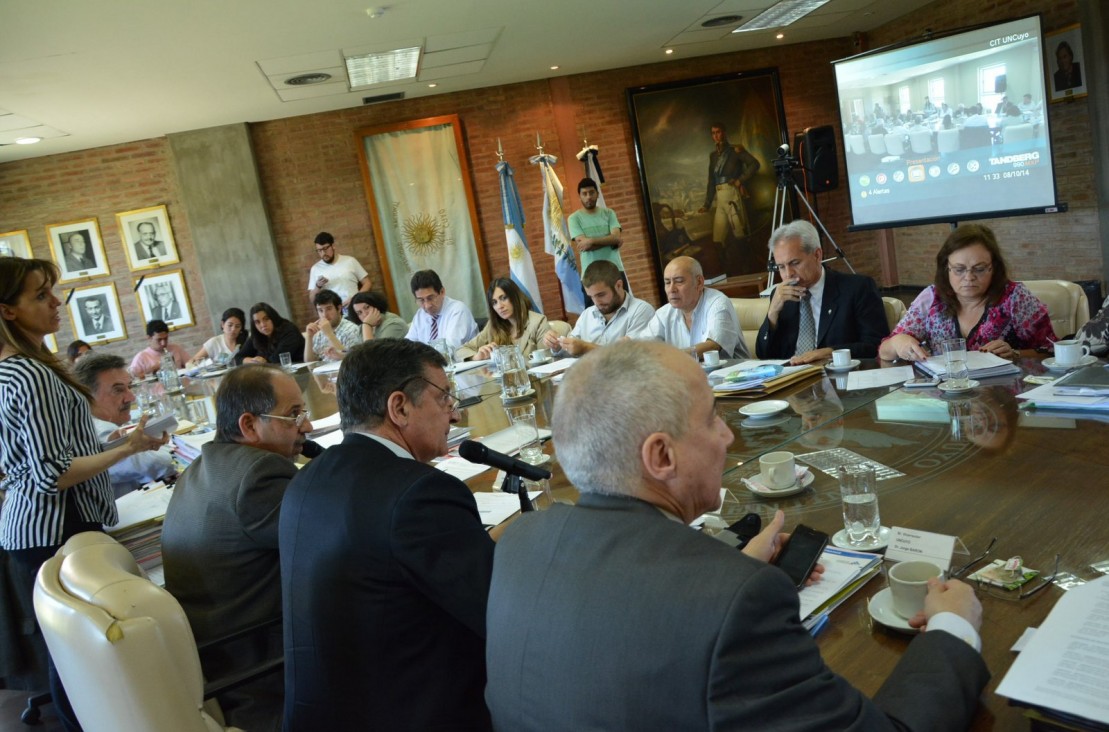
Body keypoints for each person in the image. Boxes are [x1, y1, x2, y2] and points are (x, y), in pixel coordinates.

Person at [484, 340, 989, 731]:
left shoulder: (519, 543)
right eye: (712, 419)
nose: (727, 436)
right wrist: (952, 630)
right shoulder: (734, 602)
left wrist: (731, 566)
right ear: (661, 456)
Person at [280, 339, 494, 730]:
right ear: (399, 407)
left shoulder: (306, 480)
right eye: (444, 399)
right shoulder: (420, 495)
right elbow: (496, 612)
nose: (455, 415)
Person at [0, 258, 165, 731]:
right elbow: (53, 473)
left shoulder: (19, 368)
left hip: (39, 528)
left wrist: (108, 444)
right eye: (39, 296)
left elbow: (44, 453)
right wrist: (129, 447)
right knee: (82, 660)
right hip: (54, 529)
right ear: (8, 312)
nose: (55, 303)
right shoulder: (29, 375)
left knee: (73, 653)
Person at [163, 365, 314, 731]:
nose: (306, 427)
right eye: (293, 415)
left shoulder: (203, 466)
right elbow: (336, 545)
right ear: (249, 425)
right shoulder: (261, 474)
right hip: (261, 668)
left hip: (213, 656)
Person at [879, 224, 1055, 361]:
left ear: (994, 268)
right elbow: (884, 352)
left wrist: (1015, 354)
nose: (969, 277)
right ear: (946, 268)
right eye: (959, 269)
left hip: (1002, 398)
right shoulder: (932, 297)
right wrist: (898, 342)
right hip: (946, 397)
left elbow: (1051, 351)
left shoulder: (1015, 297)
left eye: (979, 269)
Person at [756, 220, 889, 362]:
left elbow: (876, 346)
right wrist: (772, 313)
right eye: (781, 267)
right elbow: (763, 354)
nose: (788, 274)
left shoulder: (857, 288)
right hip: (792, 378)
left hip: (838, 376)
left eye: (795, 263)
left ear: (817, 255)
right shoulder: (781, 296)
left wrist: (830, 352)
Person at [74, 353, 176, 497]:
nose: (131, 397)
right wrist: (178, 453)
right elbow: (158, 464)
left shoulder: (86, 423)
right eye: (118, 390)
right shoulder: (101, 430)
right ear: (88, 395)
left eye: (129, 387)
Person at [642, 255, 747, 358]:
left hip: (733, 372)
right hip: (689, 374)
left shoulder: (718, 303)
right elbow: (642, 347)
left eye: (679, 281)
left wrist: (671, 357)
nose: (671, 289)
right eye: (667, 282)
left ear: (699, 282)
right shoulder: (663, 314)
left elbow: (713, 346)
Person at [543, 259, 653, 356]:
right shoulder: (587, 314)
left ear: (619, 285)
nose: (596, 302)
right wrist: (557, 345)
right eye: (591, 297)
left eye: (601, 295)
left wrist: (585, 348)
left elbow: (632, 355)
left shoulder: (641, 311)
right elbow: (572, 347)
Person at [456, 277, 549, 361]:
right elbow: (460, 351)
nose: (500, 306)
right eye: (494, 302)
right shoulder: (492, 326)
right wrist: (476, 356)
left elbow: (547, 360)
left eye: (504, 298)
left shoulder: (538, 322)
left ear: (515, 297)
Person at [699, 122, 760, 245]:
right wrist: (707, 204)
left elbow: (754, 164)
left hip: (732, 193)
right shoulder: (713, 156)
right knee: (718, 237)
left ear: (724, 133)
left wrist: (740, 180)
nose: (716, 135)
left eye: (718, 132)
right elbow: (711, 180)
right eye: (713, 133)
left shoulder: (735, 150)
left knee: (740, 232)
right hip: (720, 197)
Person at [566, 177, 627, 292]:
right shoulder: (574, 218)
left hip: (615, 270)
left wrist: (591, 241)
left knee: (626, 307)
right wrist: (611, 241)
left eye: (592, 192)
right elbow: (585, 246)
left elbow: (616, 237)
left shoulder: (609, 213)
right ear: (579, 196)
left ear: (598, 194)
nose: (588, 196)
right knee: (593, 310)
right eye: (584, 193)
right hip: (590, 274)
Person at [404, 269, 478, 347]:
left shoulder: (458, 310)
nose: (427, 305)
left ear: (442, 292)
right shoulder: (420, 315)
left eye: (430, 298)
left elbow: (450, 348)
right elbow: (408, 346)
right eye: (421, 300)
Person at [306, 232, 371, 310]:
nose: (323, 253)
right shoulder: (315, 269)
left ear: (333, 246)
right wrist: (318, 286)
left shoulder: (350, 261)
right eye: (319, 250)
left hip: (356, 308)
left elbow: (367, 283)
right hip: (334, 314)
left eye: (325, 249)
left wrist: (355, 299)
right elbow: (312, 299)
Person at [234, 302, 306, 365]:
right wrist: (252, 361)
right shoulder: (256, 335)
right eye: (257, 322)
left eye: (266, 319)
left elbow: (277, 359)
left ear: (273, 318)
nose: (263, 325)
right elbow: (238, 358)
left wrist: (262, 361)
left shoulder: (289, 330)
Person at [303, 289, 361, 362]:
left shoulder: (352, 329)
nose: (324, 315)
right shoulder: (318, 333)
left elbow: (351, 360)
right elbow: (309, 363)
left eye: (329, 309)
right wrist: (309, 337)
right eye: (320, 310)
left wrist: (329, 334)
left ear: (339, 308)